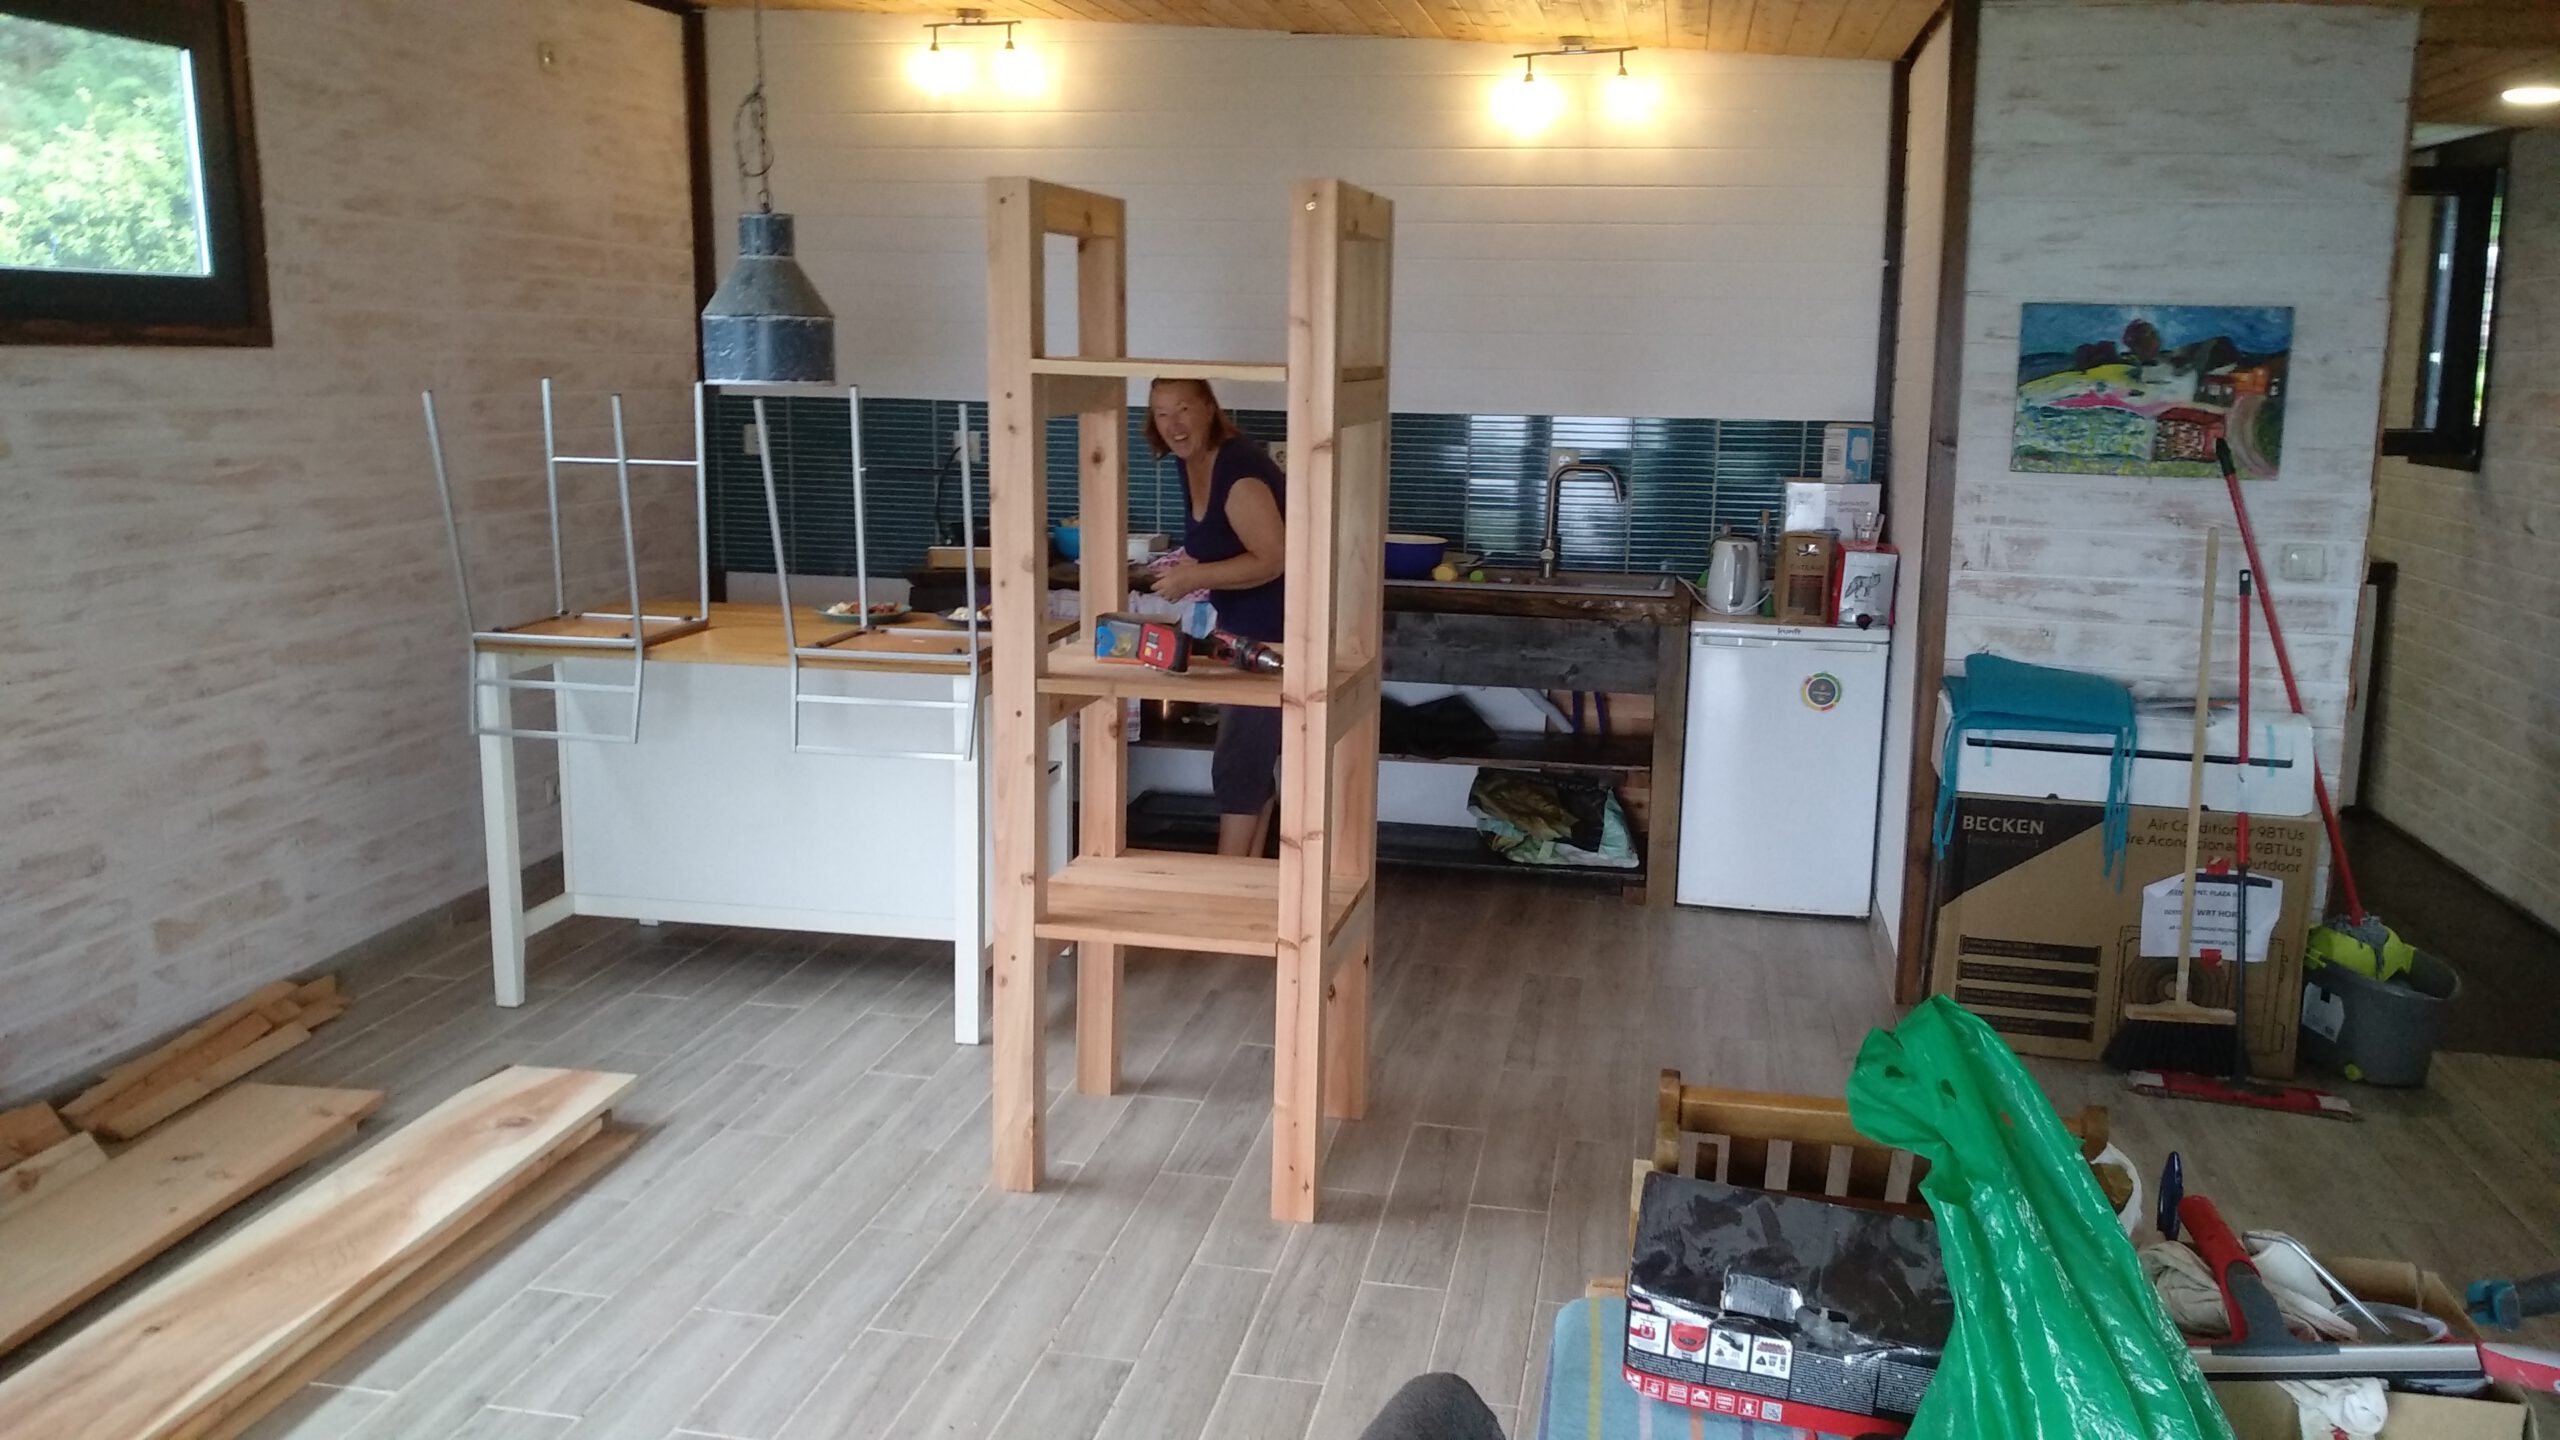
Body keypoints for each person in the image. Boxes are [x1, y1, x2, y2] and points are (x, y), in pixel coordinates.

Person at [1143, 377, 1285, 857]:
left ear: (1209, 408)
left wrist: (1195, 576)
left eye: (1183, 409)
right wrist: (1189, 565)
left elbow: (1273, 559)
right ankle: (1247, 880)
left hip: (1276, 632)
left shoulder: (1238, 471)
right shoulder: (1190, 461)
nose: (1174, 424)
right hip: (1244, 625)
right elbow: (1225, 541)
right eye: (1162, 413)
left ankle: (1227, 877)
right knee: (1249, 759)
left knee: (1240, 760)